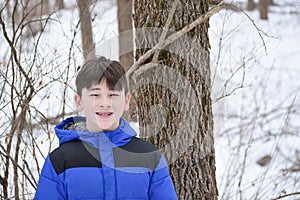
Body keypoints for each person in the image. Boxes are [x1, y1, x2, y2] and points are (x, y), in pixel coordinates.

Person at [34, 56, 177, 200]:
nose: (104, 103)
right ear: (79, 102)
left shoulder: (149, 157)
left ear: (126, 101)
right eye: (95, 94)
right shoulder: (60, 161)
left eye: (113, 94)